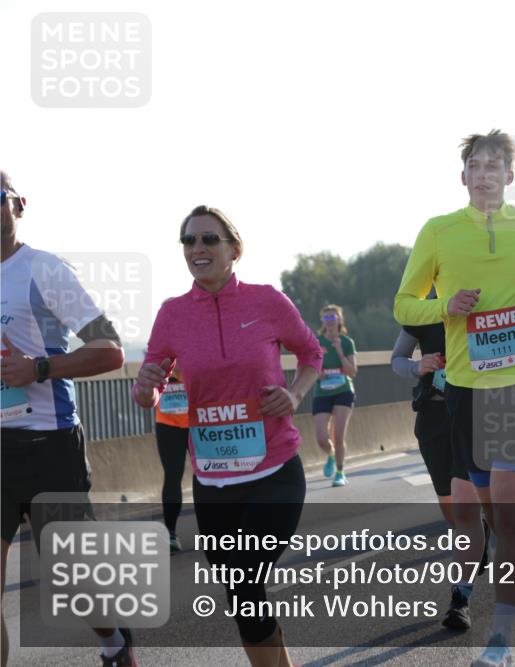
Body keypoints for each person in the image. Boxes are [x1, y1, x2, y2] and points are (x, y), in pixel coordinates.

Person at [393, 130, 515, 666]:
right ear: (465, 176)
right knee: (493, 513)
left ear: (510, 177)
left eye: (497, 164)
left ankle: (500, 638)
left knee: (511, 513)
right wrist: (446, 305)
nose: (487, 172)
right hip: (467, 389)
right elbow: (405, 305)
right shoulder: (438, 231)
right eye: (478, 164)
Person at [133, 205, 323, 666]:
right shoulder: (173, 314)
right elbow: (151, 384)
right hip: (213, 479)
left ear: (234, 249)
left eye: (209, 239)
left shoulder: (267, 301)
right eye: (189, 241)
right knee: (244, 595)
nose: (198, 248)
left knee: (244, 579)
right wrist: (145, 388)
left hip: (273, 470)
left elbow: (312, 353)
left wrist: (294, 395)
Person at [0, 172, 133, 667]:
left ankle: (114, 642)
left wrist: (39, 367)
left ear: (19, 205)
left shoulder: (44, 270)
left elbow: (111, 350)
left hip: (48, 446)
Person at [389, 296, 490, 631]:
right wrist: (419, 366)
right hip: (433, 415)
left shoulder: (484, 300)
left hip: (476, 414)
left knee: (467, 506)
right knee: (450, 503)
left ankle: (460, 598)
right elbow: (397, 359)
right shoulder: (422, 310)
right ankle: (477, 537)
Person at [313, 304, 357, 487]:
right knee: (322, 437)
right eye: (327, 317)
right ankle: (331, 455)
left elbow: (352, 371)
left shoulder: (347, 342)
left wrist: (339, 351)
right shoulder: (315, 342)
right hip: (322, 391)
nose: (330, 321)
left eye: (333, 317)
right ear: (323, 320)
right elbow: (308, 366)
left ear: (340, 320)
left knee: (339, 435)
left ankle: (340, 472)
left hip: (343, 391)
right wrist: (317, 372)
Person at [154, 367, 189, 553]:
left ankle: (220, 531)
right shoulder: (161, 350)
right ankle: (170, 534)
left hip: (200, 420)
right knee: (173, 476)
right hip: (168, 422)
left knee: (209, 474)